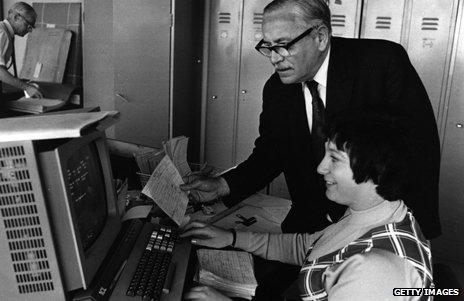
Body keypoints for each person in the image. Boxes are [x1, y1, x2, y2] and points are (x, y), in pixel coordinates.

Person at [181, 0, 440, 239]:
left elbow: (419, 152)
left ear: (320, 37)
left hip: (380, 225)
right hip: (310, 226)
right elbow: (270, 154)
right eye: (268, 47)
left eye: (284, 45)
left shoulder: (382, 64)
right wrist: (222, 185)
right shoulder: (277, 89)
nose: (274, 58)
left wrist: (409, 230)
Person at [181, 113, 434, 301]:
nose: (321, 168)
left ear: (376, 173)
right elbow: (309, 246)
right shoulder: (372, 212)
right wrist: (231, 238)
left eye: (334, 159)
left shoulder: (376, 273)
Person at [0, 2, 42, 101]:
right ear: (16, 17)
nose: (30, 30)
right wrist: (27, 87)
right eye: (28, 25)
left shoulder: (5, 32)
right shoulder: (3, 34)